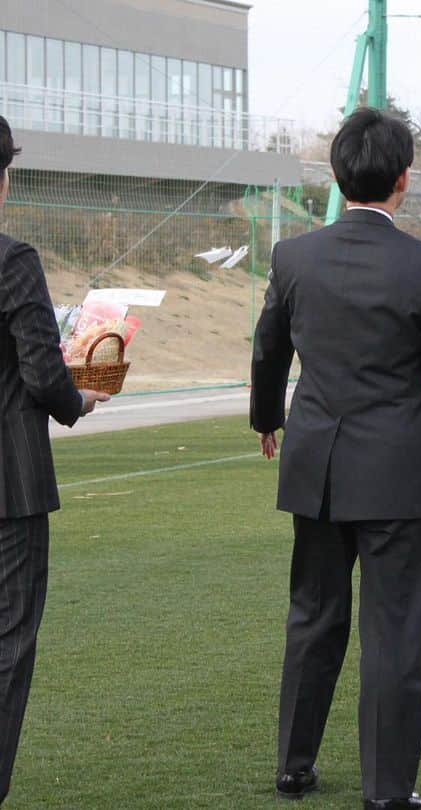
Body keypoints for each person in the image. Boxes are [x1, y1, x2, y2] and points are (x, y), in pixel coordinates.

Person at [250, 108, 421, 809]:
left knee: (314, 617)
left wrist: (267, 420)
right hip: (396, 470)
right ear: (404, 180)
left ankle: (294, 763)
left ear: (337, 174)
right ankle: (386, 789)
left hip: (315, 461)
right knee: (395, 632)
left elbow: (268, 351)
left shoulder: (294, 257)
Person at [0, 115, 110, 804]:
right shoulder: (13, 261)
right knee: (9, 640)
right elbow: (44, 376)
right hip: (9, 486)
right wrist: (80, 399)